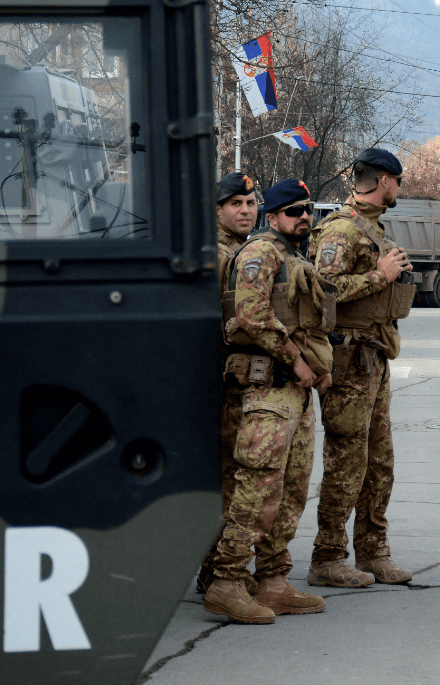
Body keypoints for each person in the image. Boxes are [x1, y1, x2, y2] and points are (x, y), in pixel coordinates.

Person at [203, 178, 335, 624]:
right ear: (274, 217)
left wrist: (319, 365)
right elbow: (251, 315)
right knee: (257, 489)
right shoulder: (261, 252)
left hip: (295, 394)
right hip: (266, 387)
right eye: (293, 210)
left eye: (308, 209)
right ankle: (226, 582)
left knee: (292, 490)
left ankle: (273, 580)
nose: (304, 217)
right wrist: (297, 359)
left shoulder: (296, 255)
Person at [307, 148, 415, 588]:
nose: (397, 189)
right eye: (397, 182)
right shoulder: (340, 230)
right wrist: (381, 277)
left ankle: (372, 551)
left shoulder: (372, 229)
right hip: (348, 362)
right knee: (346, 461)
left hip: (374, 358)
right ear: (384, 180)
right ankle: (327, 557)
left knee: (379, 463)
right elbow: (324, 289)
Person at [197, 172, 260, 596]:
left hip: (236, 383)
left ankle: (218, 566)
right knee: (227, 478)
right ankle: (214, 570)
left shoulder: (245, 252)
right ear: (218, 210)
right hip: (220, 385)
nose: (245, 210)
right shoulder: (218, 256)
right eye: (235, 203)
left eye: (250, 203)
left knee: (236, 477)